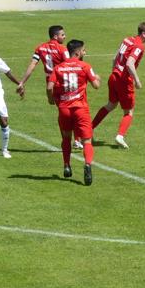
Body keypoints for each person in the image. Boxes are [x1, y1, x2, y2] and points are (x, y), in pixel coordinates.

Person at [91, 22, 145, 149]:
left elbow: (114, 58)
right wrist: (136, 80)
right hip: (124, 80)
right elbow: (130, 64)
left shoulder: (127, 40)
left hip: (114, 76)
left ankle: (88, 130)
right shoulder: (139, 46)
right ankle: (120, 136)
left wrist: (114, 73)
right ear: (143, 34)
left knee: (111, 105)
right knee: (129, 111)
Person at [48, 39, 101, 185]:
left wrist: (50, 99)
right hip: (80, 108)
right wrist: (98, 79)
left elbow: (49, 86)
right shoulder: (85, 66)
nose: (85, 52)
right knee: (87, 140)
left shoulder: (59, 68)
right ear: (77, 52)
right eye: (84, 50)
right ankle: (88, 164)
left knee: (66, 137)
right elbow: (96, 85)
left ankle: (66, 166)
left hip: (64, 108)